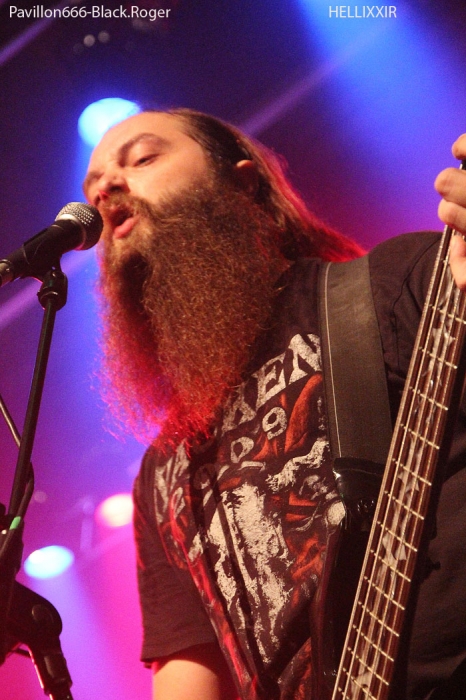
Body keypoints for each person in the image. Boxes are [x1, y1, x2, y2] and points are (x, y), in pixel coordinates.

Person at [83, 108, 466, 700]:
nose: (107, 186)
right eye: (93, 187)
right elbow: (190, 669)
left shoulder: (391, 287)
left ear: (242, 183)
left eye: (143, 158)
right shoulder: (164, 472)